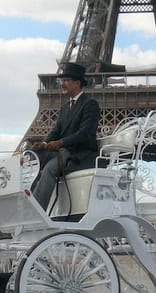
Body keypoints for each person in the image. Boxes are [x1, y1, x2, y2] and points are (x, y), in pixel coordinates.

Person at [30, 62, 100, 210]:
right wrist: (43, 144)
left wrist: (60, 143)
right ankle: (24, 199)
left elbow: (85, 133)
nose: (63, 84)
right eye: (62, 81)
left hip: (80, 155)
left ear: (77, 83)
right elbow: (56, 131)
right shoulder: (64, 108)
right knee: (31, 158)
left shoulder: (90, 104)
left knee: (49, 168)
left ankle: (35, 210)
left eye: (66, 80)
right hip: (64, 153)